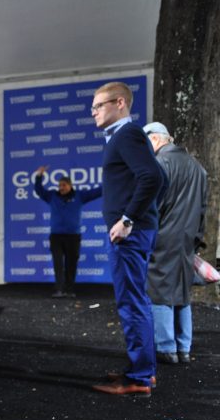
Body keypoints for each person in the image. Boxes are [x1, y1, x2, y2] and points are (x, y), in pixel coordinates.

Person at [89, 81, 164, 396]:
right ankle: (143, 370)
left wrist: (129, 219)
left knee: (132, 303)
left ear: (120, 103)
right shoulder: (126, 137)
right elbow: (160, 177)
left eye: (99, 106)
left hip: (130, 234)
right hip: (136, 231)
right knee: (136, 301)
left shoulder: (127, 134)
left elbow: (154, 177)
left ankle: (140, 377)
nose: (93, 112)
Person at [143, 121, 208, 365]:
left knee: (158, 290)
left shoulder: (160, 164)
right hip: (187, 239)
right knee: (182, 291)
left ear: (155, 139)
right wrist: (197, 238)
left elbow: (153, 206)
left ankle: (165, 347)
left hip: (162, 237)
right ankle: (184, 348)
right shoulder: (197, 167)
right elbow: (203, 207)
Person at [33, 166, 102, 298]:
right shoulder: (52, 196)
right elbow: (39, 190)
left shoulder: (80, 196)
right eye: (59, 185)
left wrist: (111, 179)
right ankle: (59, 289)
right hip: (56, 237)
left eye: (64, 185)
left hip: (73, 237)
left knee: (71, 264)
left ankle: (69, 290)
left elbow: (98, 191)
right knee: (58, 264)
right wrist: (39, 176)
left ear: (70, 185)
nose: (61, 188)